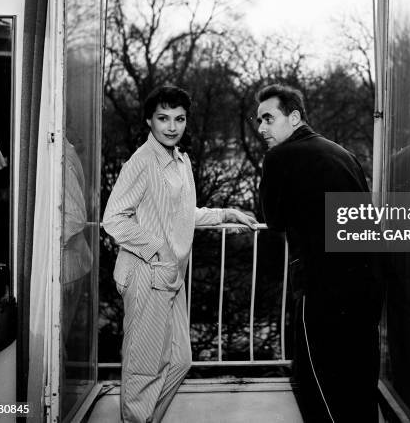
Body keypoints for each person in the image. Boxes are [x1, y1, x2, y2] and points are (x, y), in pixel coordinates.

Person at [103, 85, 256, 423]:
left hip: (171, 276)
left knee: (180, 360)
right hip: (145, 274)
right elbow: (112, 219)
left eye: (179, 119)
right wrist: (158, 248)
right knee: (144, 367)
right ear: (149, 121)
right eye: (163, 119)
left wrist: (225, 213)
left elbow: (183, 213)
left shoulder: (180, 159)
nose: (172, 127)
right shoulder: (141, 162)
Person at [256, 84, 385, 423]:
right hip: (367, 286)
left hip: (322, 289)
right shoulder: (343, 153)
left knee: (320, 387)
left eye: (269, 119)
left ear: (294, 117)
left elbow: (273, 220)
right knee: (359, 384)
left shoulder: (278, 157)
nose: (261, 129)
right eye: (259, 121)